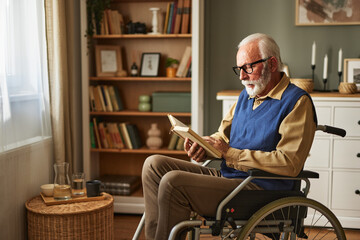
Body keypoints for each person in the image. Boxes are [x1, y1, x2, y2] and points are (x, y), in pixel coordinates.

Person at [141, 33, 317, 240]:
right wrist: (202, 145)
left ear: (272, 63)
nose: (242, 76)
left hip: (260, 188)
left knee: (173, 182)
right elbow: (222, 138)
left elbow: (289, 163)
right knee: (153, 165)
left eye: (248, 68)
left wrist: (229, 153)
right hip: (231, 180)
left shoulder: (296, 102)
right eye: (239, 69)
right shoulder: (246, 95)